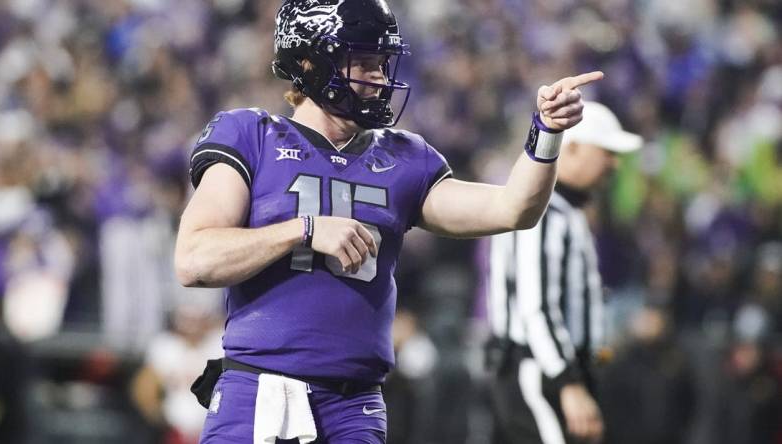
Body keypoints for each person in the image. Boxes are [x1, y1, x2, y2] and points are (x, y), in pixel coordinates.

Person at [174, 1, 602, 442]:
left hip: (354, 405)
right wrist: (304, 229)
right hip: (258, 393)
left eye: (382, 63)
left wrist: (547, 132)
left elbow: (515, 209)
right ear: (310, 61)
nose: (379, 78)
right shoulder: (251, 135)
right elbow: (194, 259)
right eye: (363, 62)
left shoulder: (402, 157)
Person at [486, 101, 642, 444]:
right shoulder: (544, 212)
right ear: (571, 149)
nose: (613, 164)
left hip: (548, 370)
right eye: (606, 152)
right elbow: (535, 304)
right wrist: (567, 382)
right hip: (538, 371)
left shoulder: (566, 210)